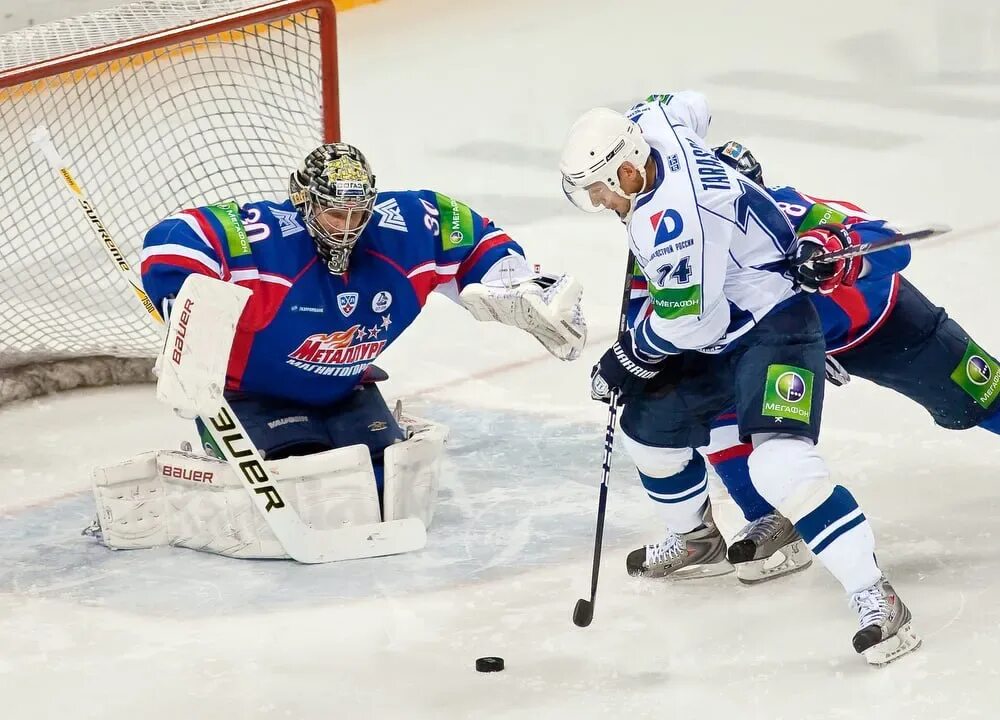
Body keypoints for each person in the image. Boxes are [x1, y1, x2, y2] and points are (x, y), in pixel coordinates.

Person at [88, 142, 587, 561]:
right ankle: (186, 491)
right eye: (334, 210)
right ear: (303, 200)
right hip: (251, 396)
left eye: (358, 212)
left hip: (346, 386)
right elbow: (172, 241)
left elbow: (470, 235)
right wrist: (186, 311)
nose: (347, 225)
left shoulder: (404, 227)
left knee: (384, 485)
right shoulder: (262, 237)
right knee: (302, 492)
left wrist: (517, 284)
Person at [559, 92, 918, 665]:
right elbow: (689, 103)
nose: (600, 201)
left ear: (629, 170)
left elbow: (694, 326)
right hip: (723, 320)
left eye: (601, 188)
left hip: (773, 325)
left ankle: (875, 596)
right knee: (646, 432)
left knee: (780, 465)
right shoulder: (653, 125)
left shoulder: (675, 222)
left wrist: (630, 355)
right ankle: (701, 541)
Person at [696, 141, 1000, 584]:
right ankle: (771, 518)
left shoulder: (793, 213)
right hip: (787, 345)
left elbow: (891, 245)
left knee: (981, 397)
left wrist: (838, 250)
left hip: (884, 327)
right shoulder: (692, 249)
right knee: (711, 400)